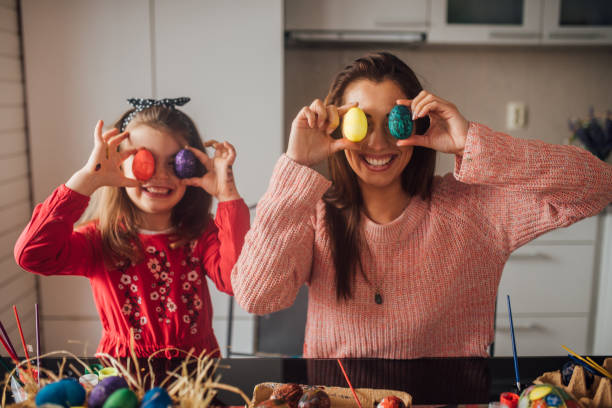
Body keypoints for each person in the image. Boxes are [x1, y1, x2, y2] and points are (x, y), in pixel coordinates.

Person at [231, 52, 612, 358]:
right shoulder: (315, 214)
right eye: (361, 123)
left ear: (418, 124)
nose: (378, 144)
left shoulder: (471, 209)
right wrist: (296, 166)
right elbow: (256, 295)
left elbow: (596, 186)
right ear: (337, 129)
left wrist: (473, 144)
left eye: (394, 123)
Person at [15, 98, 250, 358]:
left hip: (196, 373)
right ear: (118, 163)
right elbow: (32, 255)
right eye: (144, 159)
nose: (160, 175)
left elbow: (237, 281)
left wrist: (227, 193)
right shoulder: (100, 238)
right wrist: (86, 179)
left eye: (175, 163)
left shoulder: (199, 232)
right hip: (123, 376)